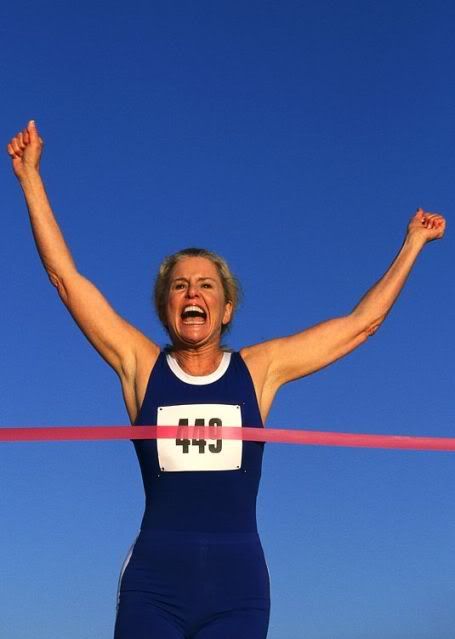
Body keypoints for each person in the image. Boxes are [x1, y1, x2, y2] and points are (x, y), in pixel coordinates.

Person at [7, 120, 446, 639]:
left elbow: (358, 327)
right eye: (180, 285)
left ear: (226, 307)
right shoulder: (141, 366)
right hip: (154, 587)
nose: (193, 292)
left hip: (237, 591)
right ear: (166, 306)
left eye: (206, 285)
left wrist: (413, 243)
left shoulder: (258, 370)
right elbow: (67, 281)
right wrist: (30, 178)